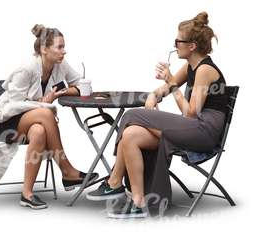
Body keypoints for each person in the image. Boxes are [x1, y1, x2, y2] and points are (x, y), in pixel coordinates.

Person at [87, 12, 228, 218]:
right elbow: (164, 89)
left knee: (132, 115)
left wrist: (171, 84)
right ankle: (138, 202)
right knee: (131, 134)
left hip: (203, 132)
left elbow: (190, 113)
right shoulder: (191, 65)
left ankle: (114, 181)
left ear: (192, 46)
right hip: (192, 128)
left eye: (178, 41)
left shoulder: (205, 69)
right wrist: (153, 95)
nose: (175, 44)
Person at [0, 24, 98, 209]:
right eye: (59, 47)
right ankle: (67, 170)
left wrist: (57, 94)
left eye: (64, 46)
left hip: (33, 122)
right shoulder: (26, 69)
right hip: (6, 123)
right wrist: (43, 104)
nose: (64, 51)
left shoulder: (60, 65)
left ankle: (27, 194)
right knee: (45, 113)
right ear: (44, 49)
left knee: (39, 131)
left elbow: (78, 86)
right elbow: (14, 107)